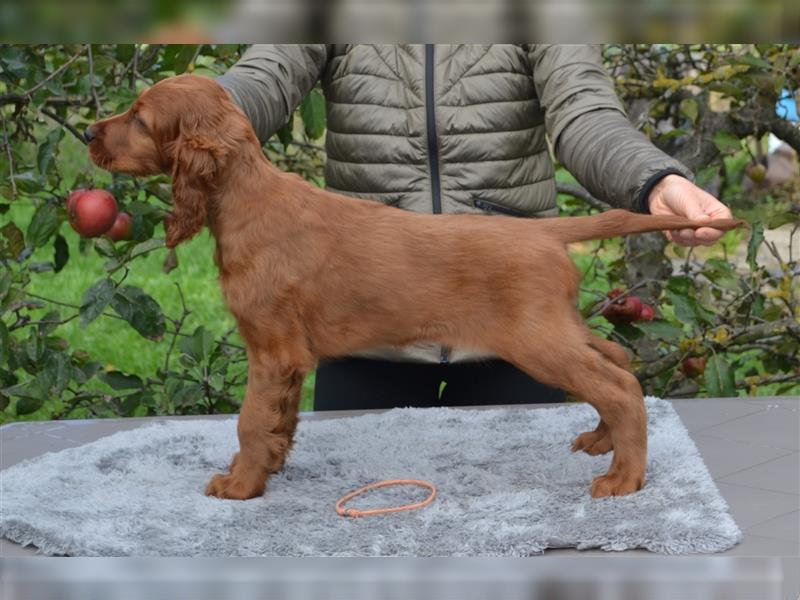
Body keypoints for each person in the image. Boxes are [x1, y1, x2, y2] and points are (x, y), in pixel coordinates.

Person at [216, 44, 733, 410]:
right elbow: (265, 77)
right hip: (363, 323)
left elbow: (584, 113)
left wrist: (655, 181)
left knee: (526, 531)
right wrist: (182, 120)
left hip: (507, 310)